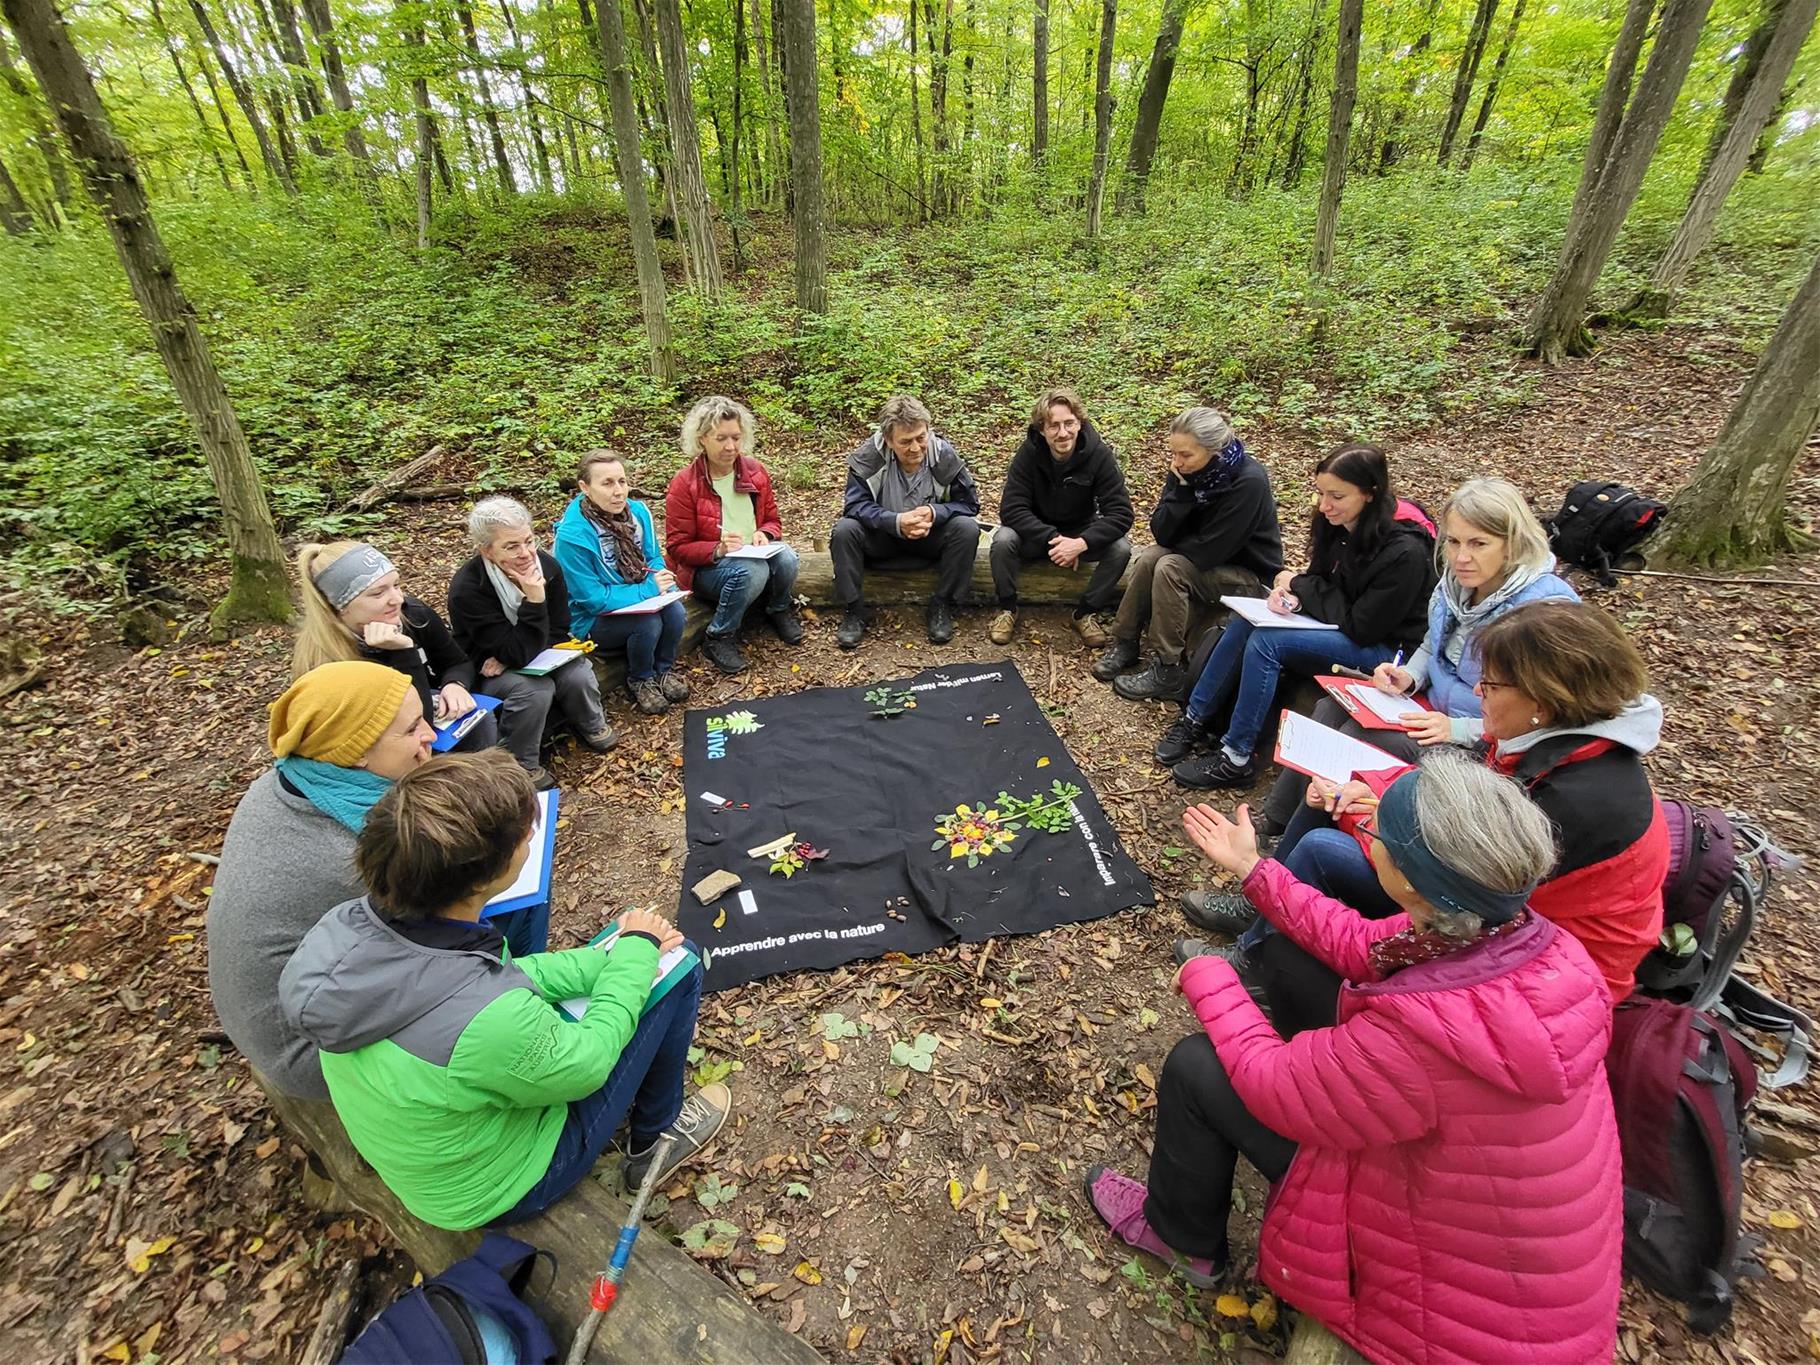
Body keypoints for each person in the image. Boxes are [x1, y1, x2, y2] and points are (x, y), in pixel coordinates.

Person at [1088, 756, 1622, 1364]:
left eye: (1378, 837)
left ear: (1415, 882)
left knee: (1196, 1065)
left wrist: (1211, 978)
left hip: (1458, 1314)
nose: (1368, 842)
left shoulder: (1422, 1035)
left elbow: (1270, 1085)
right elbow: (1357, 942)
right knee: (1290, 963)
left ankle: (1179, 1239)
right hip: (1488, 1231)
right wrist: (1253, 868)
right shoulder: (1508, 933)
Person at [280, 751, 730, 1231]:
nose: (532, 836)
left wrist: (606, 961)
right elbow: (588, 1062)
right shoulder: (491, 1018)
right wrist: (639, 954)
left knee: (636, 963)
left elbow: (505, 974)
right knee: (678, 965)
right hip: (499, 1188)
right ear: (480, 877)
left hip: (428, 1157)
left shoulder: (356, 927)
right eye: (524, 835)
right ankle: (653, 1143)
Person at [1200, 601, 1669, 1030]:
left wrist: (1371, 813)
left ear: (1543, 701)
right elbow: (1453, 813)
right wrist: (1370, 794)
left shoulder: (1568, 797)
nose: (1478, 692)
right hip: (1496, 915)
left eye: (1493, 684)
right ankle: (1260, 908)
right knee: (1330, 798)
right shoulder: (1548, 744)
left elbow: (1442, 879)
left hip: (1537, 975)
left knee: (1324, 845)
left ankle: (1253, 958)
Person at [207, 662, 549, 1100]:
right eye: (411, 730)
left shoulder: (295, 782)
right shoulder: (360, 847)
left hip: (318, 1000)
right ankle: (517, 1009)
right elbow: (440, 927)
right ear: (356, 753)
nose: (431, 734)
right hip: (313, 1049)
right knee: (511, 904)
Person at [1239, 475, 1579, 850]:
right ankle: (1278, 818)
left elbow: (1546, 711)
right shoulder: (1458, 582)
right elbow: (1434, 643)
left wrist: (1459, 729)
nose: (1462, 557)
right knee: (1328, 708)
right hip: (1428, 710)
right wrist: (1409, 676)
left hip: (1481, 740)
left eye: (1479, 544)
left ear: (1512, 544)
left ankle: (1295, 854)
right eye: (1453, 542)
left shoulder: (1542, 610)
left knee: (1361, 739)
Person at [1162, 443, 1435, 788]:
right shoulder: (1337, 522)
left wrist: (1301, 588)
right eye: (1320, 493)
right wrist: (1290, 596)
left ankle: (1237, 757)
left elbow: (1363, 626)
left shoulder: (1406, 551)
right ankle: (1195, 718)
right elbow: (1320, 581)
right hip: (1340, 626)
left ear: (1370, 494)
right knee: (1246, 619)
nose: (1324, 506)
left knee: (1267, 643)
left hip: (1386, 655)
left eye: (1336, 496)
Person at [1093, 407, 1283, 701]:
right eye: (1174, 454)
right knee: (1150, 557)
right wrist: (1181, 493)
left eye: (1186, 455)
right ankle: (1126, 641)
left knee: (1169, 566)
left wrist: (1177, 539)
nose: (1177, 463)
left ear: (1214, 451)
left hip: (1247, 576)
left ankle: (1168, 668)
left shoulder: (1248, 482)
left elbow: (1211, 550)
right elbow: (1162, 532)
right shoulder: (1185, 473)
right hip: (1205, 559)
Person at [447, 496, 618, 784]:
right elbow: (509, 648)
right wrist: (535, 601)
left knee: (577, 673)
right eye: (511, 546)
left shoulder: (548, 567)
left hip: (524, 654)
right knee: (533, 689)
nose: (526, 553)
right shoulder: (468, 588)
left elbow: (559, 628)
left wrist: (515, 653)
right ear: (487, 551)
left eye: (528, 540)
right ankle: (521, 764)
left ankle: (591, 726)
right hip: (485, 667)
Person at [293, 540, 497, 756]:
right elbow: (418, 723)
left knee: (480, 722)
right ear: (339, 606)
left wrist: (455, 684)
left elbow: (457, 662)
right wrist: (404, 652)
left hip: (428, 716)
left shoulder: (413, 615)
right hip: (377, 748)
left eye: (396, 585)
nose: (397, 599)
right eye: (378, 593)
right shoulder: (326, 661)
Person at [664, 395, 804, 674]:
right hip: (706, 569)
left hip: (753, 554)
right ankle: (719, 635)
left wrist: (765, 532)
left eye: (736, 438)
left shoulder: (754, 471)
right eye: (721, 438)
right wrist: (717, 549)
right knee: (752, 572)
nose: (730, 446)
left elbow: (773, 519)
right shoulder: (685, 484)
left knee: (787, 557)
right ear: (702, 438)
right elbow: (677, 547)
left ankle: (778, 609)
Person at [830, 394, 982, 649]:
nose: (915, 448)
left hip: (929, 538)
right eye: (905, 442)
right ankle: (854, 610)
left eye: (921, 438)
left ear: (928, 431)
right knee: (844, 530)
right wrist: (895, 521)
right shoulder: (869, 457)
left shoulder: (943, 454)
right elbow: (854, 507)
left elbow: (970, 504)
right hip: (883, 538)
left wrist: (935, 512)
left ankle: (942, 604)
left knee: (967, 528)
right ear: (888, 441)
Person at [989, 387, 1134, 648]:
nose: (1063, 433)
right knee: (1003, 539)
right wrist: (1055, 539)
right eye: (1054, 426)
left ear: (1080, 422)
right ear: (1042, 429)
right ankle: (1008, 608)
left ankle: (1085, 613)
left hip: (1081, 531)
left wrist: (1081, 543)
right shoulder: (1028, 454)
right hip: (1037, 533)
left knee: (1122, 548)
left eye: (1069, 423)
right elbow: (1011, 509)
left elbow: (1121, 513)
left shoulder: (1098, 454)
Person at [553, 450, 690, 716]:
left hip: (639, 597)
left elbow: (652, 557)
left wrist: (663, 582)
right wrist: (649, 589)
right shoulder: (572, 536)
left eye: (622, 481)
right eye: (607, 483)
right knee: (647, 622)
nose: (618, 492)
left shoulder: (637, 513)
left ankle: (663, 671)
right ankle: (640, 678)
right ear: (584, 487)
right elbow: (592, 599)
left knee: (675, 612)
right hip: (592, 620)